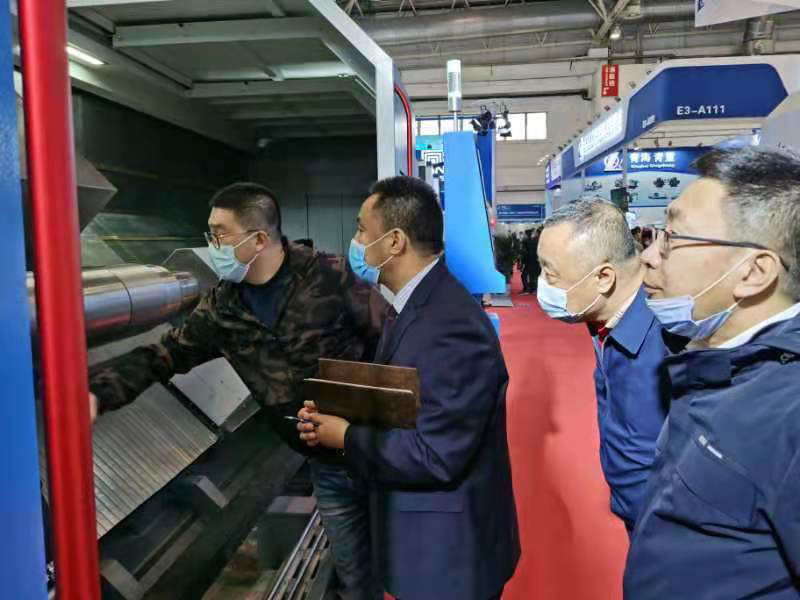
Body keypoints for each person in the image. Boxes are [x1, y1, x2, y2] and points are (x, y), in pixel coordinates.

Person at [88, 182, 386, 600]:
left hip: (374, 448)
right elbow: (167, 354)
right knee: (355, 573)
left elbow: (389, 339)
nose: (213, 246)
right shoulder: (223, 307)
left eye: (220, 234)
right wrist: (97, 394)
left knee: (405, 558)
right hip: (325, 464)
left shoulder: (330, 277)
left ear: (259, 239)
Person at [297, 176, 520, 600]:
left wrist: (345, 436)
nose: (356, 243)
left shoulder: (449, 325)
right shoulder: (414, 306)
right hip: (425, 543)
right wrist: (339, 410)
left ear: (395, 241)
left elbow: (437, 454)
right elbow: (414, 402)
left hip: (448, 557)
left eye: (362, 230)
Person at [625, 147, 800, 599]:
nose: (649, 256)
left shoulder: (789, 412)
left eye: (673, 238)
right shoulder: (718, 361)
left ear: (754, 272)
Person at [536, 199, 670, 533]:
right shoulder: (609, 320)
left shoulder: (667, 341)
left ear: (603, 277)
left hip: (662, 528)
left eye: (550, 274)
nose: (543, 284)